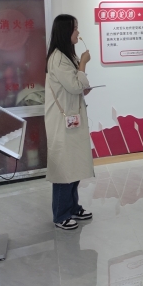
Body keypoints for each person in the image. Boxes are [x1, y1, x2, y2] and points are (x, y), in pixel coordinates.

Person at [45, 14, 94, 230]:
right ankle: (60, 214)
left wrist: (82, 83)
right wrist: (83, 63)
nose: (78, 33)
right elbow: (75, 85)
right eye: (75, 29)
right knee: (64, 167)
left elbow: (76, 85)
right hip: (61, 121)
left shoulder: (66, 56)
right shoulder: (57, 58)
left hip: (72, 119)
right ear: (66, 31)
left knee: (73, 164)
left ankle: (73, 207)